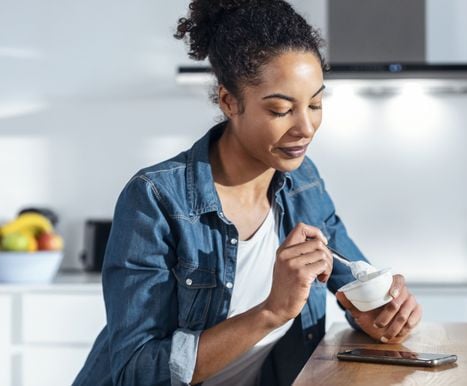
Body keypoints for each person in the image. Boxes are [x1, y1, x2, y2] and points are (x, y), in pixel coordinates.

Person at [73, 1, 422, 385]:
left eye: (316, 103)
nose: (305, 127)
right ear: (229, 102)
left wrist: (376, 311)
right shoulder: (156, 199)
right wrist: (272, 311)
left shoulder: (303, 184)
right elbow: (136, 371)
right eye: (280, 110)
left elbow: (354, 280)